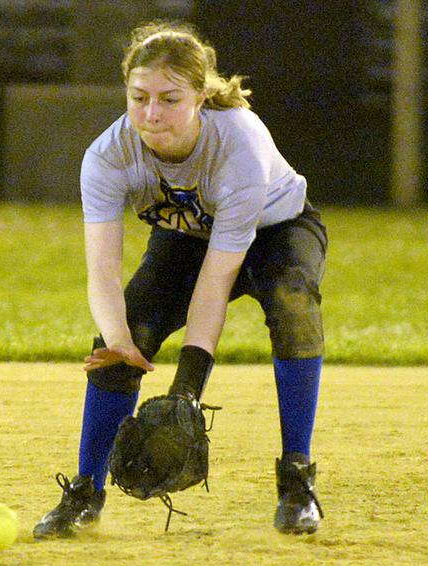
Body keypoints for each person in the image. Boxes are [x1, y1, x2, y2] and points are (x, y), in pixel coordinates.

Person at [33, 21, 327, 537]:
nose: (151, 114)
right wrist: (122, 343)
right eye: (139, 96)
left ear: (200, 97)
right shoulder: (108, 157)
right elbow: (101, 273)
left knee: (292, 302)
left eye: (169, 98)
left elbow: (216, 281)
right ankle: (85, 493)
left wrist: (187, 388)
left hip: (277, 229)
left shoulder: (237, 144)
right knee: (120, 335)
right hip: (186, 237)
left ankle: (297, 479)